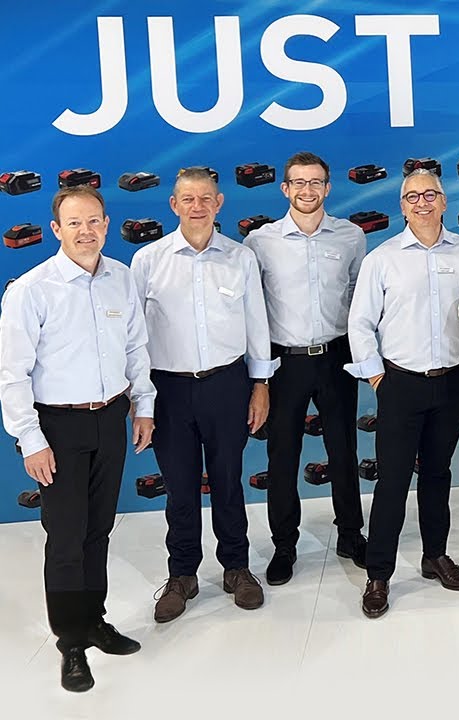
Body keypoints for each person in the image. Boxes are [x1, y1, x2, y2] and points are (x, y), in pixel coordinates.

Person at [0, 185, 155, 692]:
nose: (85, 231)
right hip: (57, 428)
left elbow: (135, 347)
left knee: (98, 529)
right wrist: (30, 439)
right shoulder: (31, 290)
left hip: (110, 417)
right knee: (66, 537)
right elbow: (12, 374)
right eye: (74, 223)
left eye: (93, 221)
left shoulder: (121, 278)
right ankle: (70, 642)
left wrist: (143, 406)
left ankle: (94, 620)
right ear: (56, 229)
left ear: (106, 225)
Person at [132, 168, 277, 622]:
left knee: (229, 480)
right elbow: (133, 337)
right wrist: (141, 400)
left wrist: (260, 384)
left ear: (219, 204)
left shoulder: (240, 258)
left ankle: (236, 567)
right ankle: (182, 575)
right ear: (174, 205)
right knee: (179, 488)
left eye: (206, 199)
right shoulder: (148, 260)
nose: (197, 207)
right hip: (169, 389)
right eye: (188, 199)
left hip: (227, 385)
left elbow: (257, 324)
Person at [348, 170, 459, 619]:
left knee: (438, 474)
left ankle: (435, 556)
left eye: (430, 194)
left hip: (455, 380)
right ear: (402, 207)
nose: (422, 202)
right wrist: (376, 378)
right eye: (412, 196)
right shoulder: (382, 259)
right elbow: (360, 323)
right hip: (400, 383)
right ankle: (378, 574)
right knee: (392, 481)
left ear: (444, 201)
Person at [245, 152, 368, 586]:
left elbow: (357, 296)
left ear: (328, 187)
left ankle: (350, 534)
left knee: (343, 450)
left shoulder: (351, 236)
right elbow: (253, 310)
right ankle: (284, 545)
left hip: (336, 356)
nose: (307, 190)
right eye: (299, 182)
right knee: (282, 456)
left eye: (316, 182)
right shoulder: (260, 242)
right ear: (285, 189)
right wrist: (259, 377)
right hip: (285, 362)